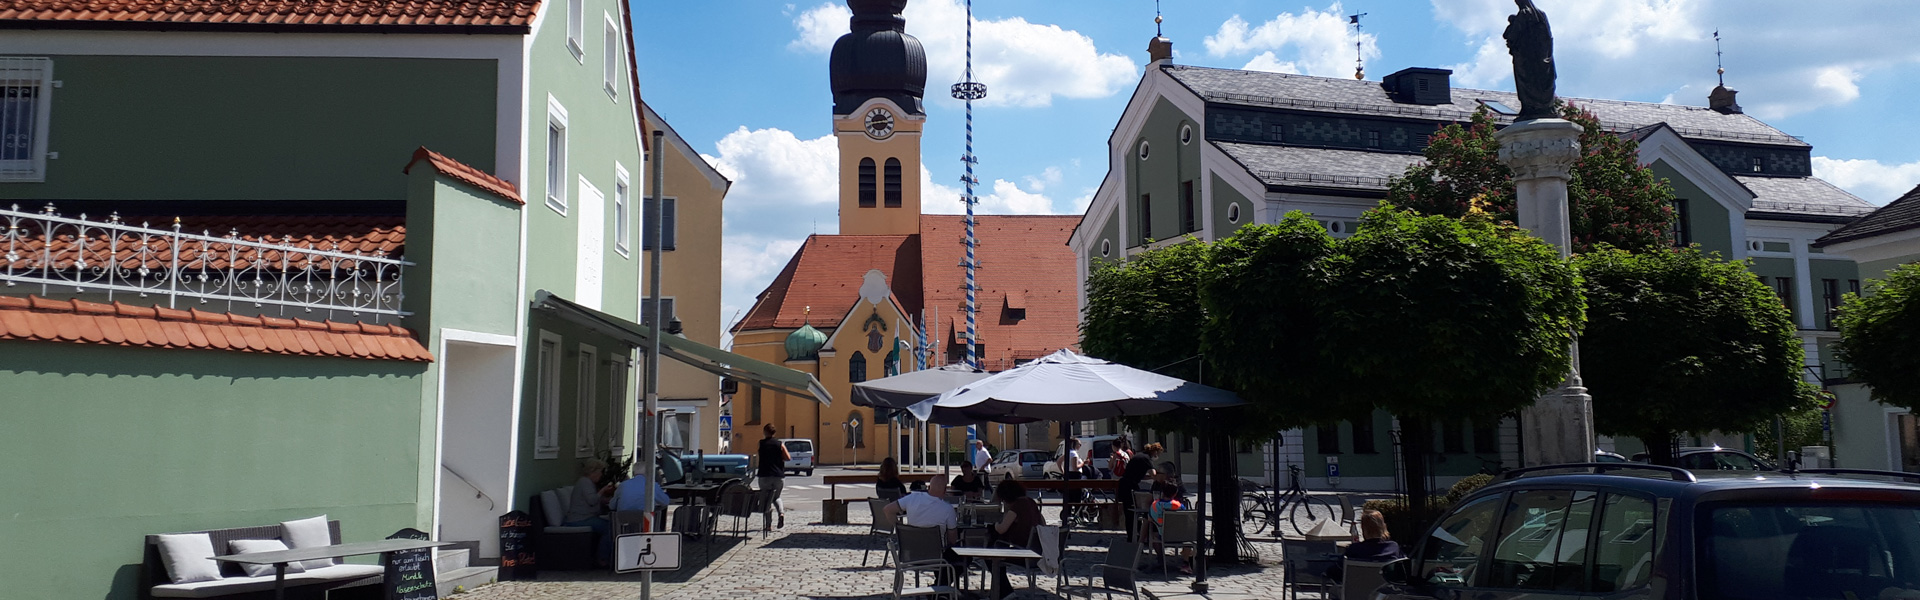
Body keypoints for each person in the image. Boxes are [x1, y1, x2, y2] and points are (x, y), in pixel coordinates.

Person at [884, 479, 965, 585]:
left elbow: (887, 510)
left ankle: (940, 589)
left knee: (946, 556)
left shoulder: (912, 498)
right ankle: (941, 589)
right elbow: (952, 540)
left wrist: (900, 529)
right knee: (962, 556)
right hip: (937, 556)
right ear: (945, 491)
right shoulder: (947, 509)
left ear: (928, 488)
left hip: (912, 553)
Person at [988, 479, 1045, 592]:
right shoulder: (1030, 502)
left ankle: (1004, 591)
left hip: (1024, 553)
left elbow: (1001, 529)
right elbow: (1043, 523)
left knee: (991, 557)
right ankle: (1001, 590)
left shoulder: (1016, 506)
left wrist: (994, 525)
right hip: (1038, 551)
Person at [562, 458, 616, 566]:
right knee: (610, 528)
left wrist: (604, 500)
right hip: (579, 519)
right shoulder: (585, 482)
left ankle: (607, 556)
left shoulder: (585, 482)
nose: (601, 475)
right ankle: (603, 558)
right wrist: (603, 490)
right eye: (600, 472)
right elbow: (592, 500)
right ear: (594, 472)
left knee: (610, 525)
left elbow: (590, 499)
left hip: (583, 517)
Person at [1327, 509, 1404, 582]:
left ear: (1363, 529)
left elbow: (1335, 572)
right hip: (1383, 594)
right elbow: (1402, 570)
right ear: (1383, 526)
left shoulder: (1354, 549)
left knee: (1333, 590)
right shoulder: (1393, 548)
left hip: (1355, 592)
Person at [1117, 442, 1160, 541]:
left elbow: (1139, 475)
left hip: (1124, 484)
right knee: (1133, 512)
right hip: (1129, 486)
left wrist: (1149, 477)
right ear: (1154, 452)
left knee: (1129, 513)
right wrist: (1160, 477)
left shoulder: (1139, 456)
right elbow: (1153, 474)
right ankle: (1137, 536)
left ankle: (1132, 536)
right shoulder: (1146, 459)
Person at [1147, 481, 1193, 575]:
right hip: (1181, 536)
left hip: (1164, 536)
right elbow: (1187, 518)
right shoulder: (1178, 505)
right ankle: (1186, 563)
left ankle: (1161, 559)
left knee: (1153, 535)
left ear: (1162, 492)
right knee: (1189, 537)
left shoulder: (1155, 505)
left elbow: (1150, 519)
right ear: (1175, 494)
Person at [611, 465, 671, 530]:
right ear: (648, 473)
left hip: (623, 522)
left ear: (633, 473)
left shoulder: (622, 485)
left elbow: (611, 506)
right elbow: (665, 502)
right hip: (644, 521)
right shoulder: (652, 485)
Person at [756, 423, 790, 530]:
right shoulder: (780, 444)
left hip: (764, 475)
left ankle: (768, 525)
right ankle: (781, 513)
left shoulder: (761, 443)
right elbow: (788, 457)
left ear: (765, 432)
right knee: (777, 497)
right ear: (774, 432)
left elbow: (759, 454)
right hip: (778, 475)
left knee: (767, 500)